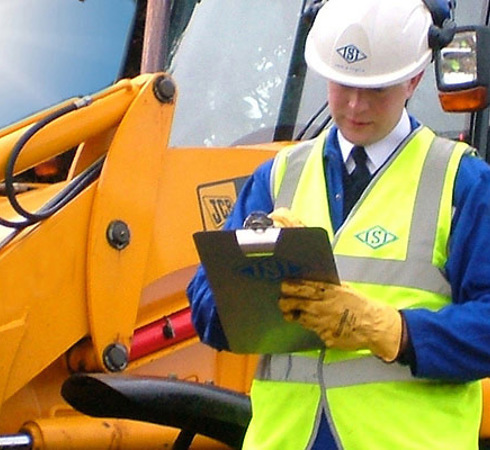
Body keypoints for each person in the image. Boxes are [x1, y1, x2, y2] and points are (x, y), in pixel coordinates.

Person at [187, 0, 490, 448]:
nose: (354, 104)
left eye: (376, 89)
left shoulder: (461, 183)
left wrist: (396, 332)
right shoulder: (277, 177)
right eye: (343, 84)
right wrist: (250, 275)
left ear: (414, 78)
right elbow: (205, 307)